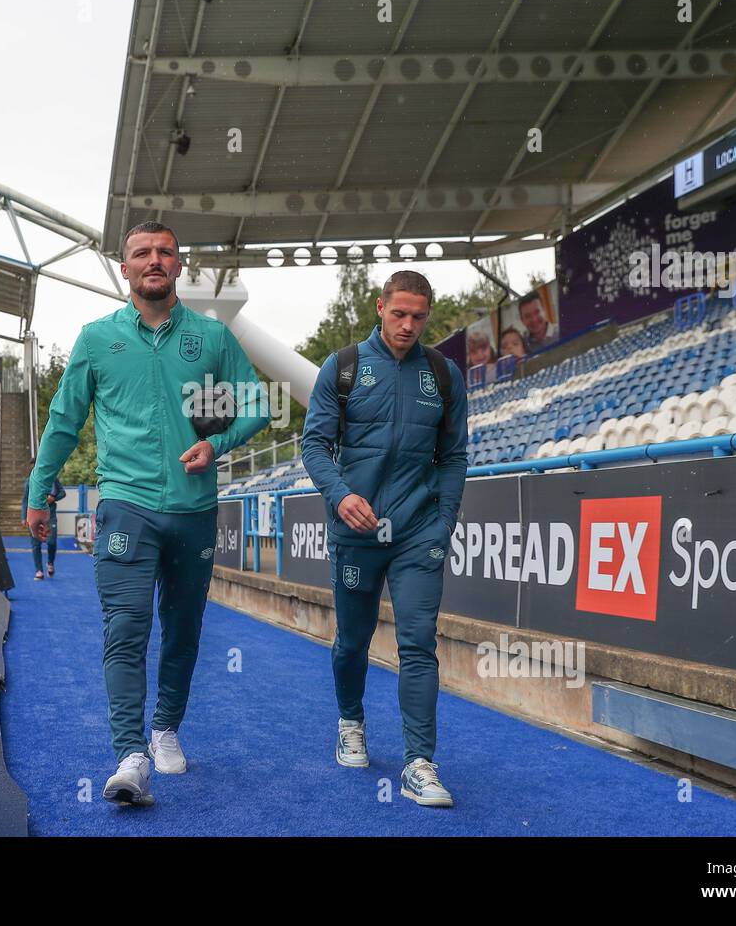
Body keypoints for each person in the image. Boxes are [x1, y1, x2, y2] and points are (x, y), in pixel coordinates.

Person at [26, 220, 268, 807]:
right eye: (142, 253)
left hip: (194, 510)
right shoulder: (95, 339)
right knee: (126, 629)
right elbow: (64, 419)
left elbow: (260, 403)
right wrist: (39, 489)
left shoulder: (211, 338)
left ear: (179, 266)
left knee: (183, 629)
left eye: (165, 252)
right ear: (124, 267)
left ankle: (165, 728)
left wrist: (218, 443)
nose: (154, 260)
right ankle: (130, 756)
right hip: (125, 507)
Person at [301, 270, 469, 808]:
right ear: (380, 307)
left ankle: (419, 762)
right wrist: (340, 496)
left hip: (419, 533)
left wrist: (444, 520)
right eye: (399, 314)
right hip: (357, 529)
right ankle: (350, 720)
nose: (408, 325)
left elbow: (455, 456)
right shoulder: (344, 367)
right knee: (353, 640)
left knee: (419, 642)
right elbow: (314, 446)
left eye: (419, 316)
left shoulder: (443, 374)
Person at [22, 476, 66, 580]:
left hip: (50, 516)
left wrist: (54, 498)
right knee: (35, 544)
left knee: (51, 542)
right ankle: (39, 570)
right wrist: (24, 517)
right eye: (33, 463)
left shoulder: (53, 479)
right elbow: (25, 500)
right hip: (34, 515)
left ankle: (50, 562)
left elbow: (62, 493)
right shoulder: (29, 481)